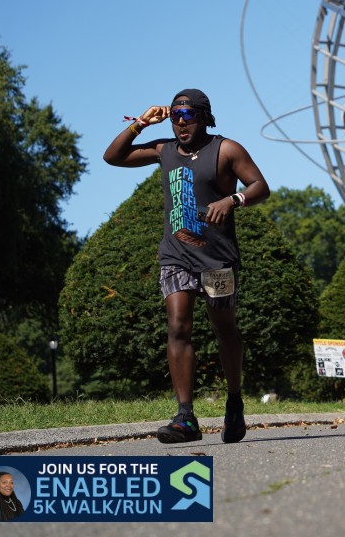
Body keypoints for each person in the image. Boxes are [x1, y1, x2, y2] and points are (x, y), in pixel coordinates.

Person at [104, 88, 270, 444]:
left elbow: (260, 186)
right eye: (175, 116)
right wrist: (141, 123)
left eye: (188, 116)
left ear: (204, 117)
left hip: (217, 259)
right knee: (178, 325)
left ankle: (234, 402)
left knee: (224, 328)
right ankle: (185, 417)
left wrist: (233, 200)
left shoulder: (226, 150)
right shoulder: (164, 150)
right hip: (176, 256)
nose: (181, 123)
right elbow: (113, 157)